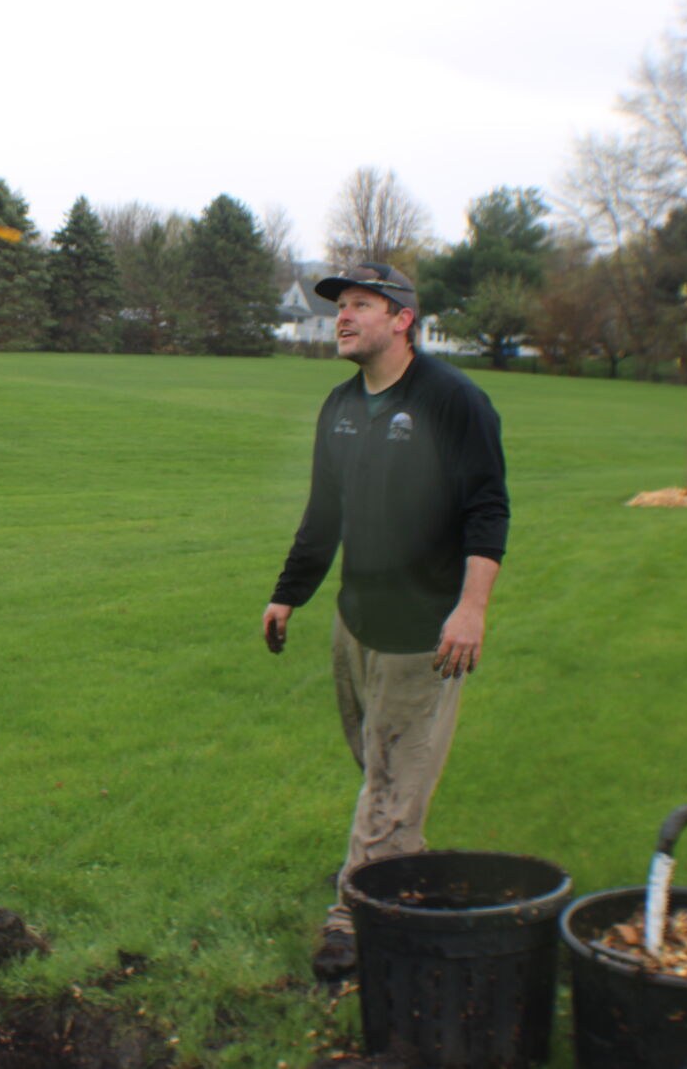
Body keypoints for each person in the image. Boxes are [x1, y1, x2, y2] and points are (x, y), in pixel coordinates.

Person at [261, 263, 508, 981]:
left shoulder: (453, 401)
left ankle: (354, 917)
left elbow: (486, 509)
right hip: (355, 620)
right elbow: (323, 513)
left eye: (359, 305)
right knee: (380, 766)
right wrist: (288, 593)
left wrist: (470, 606)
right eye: (339, 306)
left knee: (392, 777)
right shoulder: (340, 405)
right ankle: (400, 859)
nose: (342, 316)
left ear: (401, 319)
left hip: (422, 627)